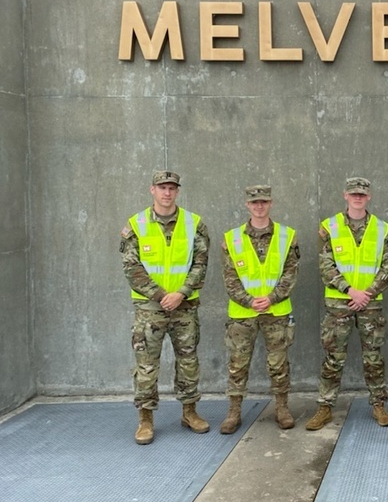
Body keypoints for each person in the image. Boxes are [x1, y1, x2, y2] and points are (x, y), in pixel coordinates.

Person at [120, 170, 210, 445]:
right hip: (150, 308)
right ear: (152, 190)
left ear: (178, 191)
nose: (167, 192)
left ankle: (189, 412)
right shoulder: (136, 225)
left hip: (185, 306)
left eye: (172, 188)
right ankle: (145, 419)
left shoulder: (194, 223)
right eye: (162, 187)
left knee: (188, 361)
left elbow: (200, 263)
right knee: (146, 365)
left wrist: (181, 293)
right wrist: (161, 295)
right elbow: (131, 267)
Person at [305, 177, 388, 430]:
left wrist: (366, 293)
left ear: (369, 197)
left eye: (362, 194)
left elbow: (386, 267)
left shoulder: (381, 228)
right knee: (333, 358)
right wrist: (350, 291)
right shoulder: (328, 226)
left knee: (374, 358)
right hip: (338, 303)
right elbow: (325, 265)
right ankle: (325, 407)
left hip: (370, 304)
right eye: (353, 193)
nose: (358, 197)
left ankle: (379, 405)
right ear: (345, 195)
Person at [218, 185, 301, 434]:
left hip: (276, 312)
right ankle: (233, 413)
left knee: (279, 363)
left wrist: (272, 297)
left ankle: (282, 408)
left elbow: (291, 272)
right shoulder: (231, 239)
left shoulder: (288, 236)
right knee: (237, 364)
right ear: (247, 205)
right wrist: (249, 300)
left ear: (271, 203)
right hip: (242, 314)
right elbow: (229, 277)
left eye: (264, 202)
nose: (259, 206)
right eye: (255, 202)